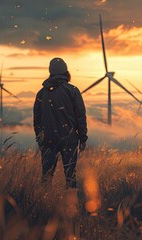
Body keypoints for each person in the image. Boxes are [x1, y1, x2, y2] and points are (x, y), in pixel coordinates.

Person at [33, 57, 88, 188]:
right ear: (65, 72)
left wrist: (40, 138)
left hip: (48, 140)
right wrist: (83, 137)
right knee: (70, 176)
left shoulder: (41, 93)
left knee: (46, 176)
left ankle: (44, 204)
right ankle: (71, 204)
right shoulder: (72, 91)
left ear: (51, 72)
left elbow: (37, 119)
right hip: (69, 139)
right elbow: (80, 116)